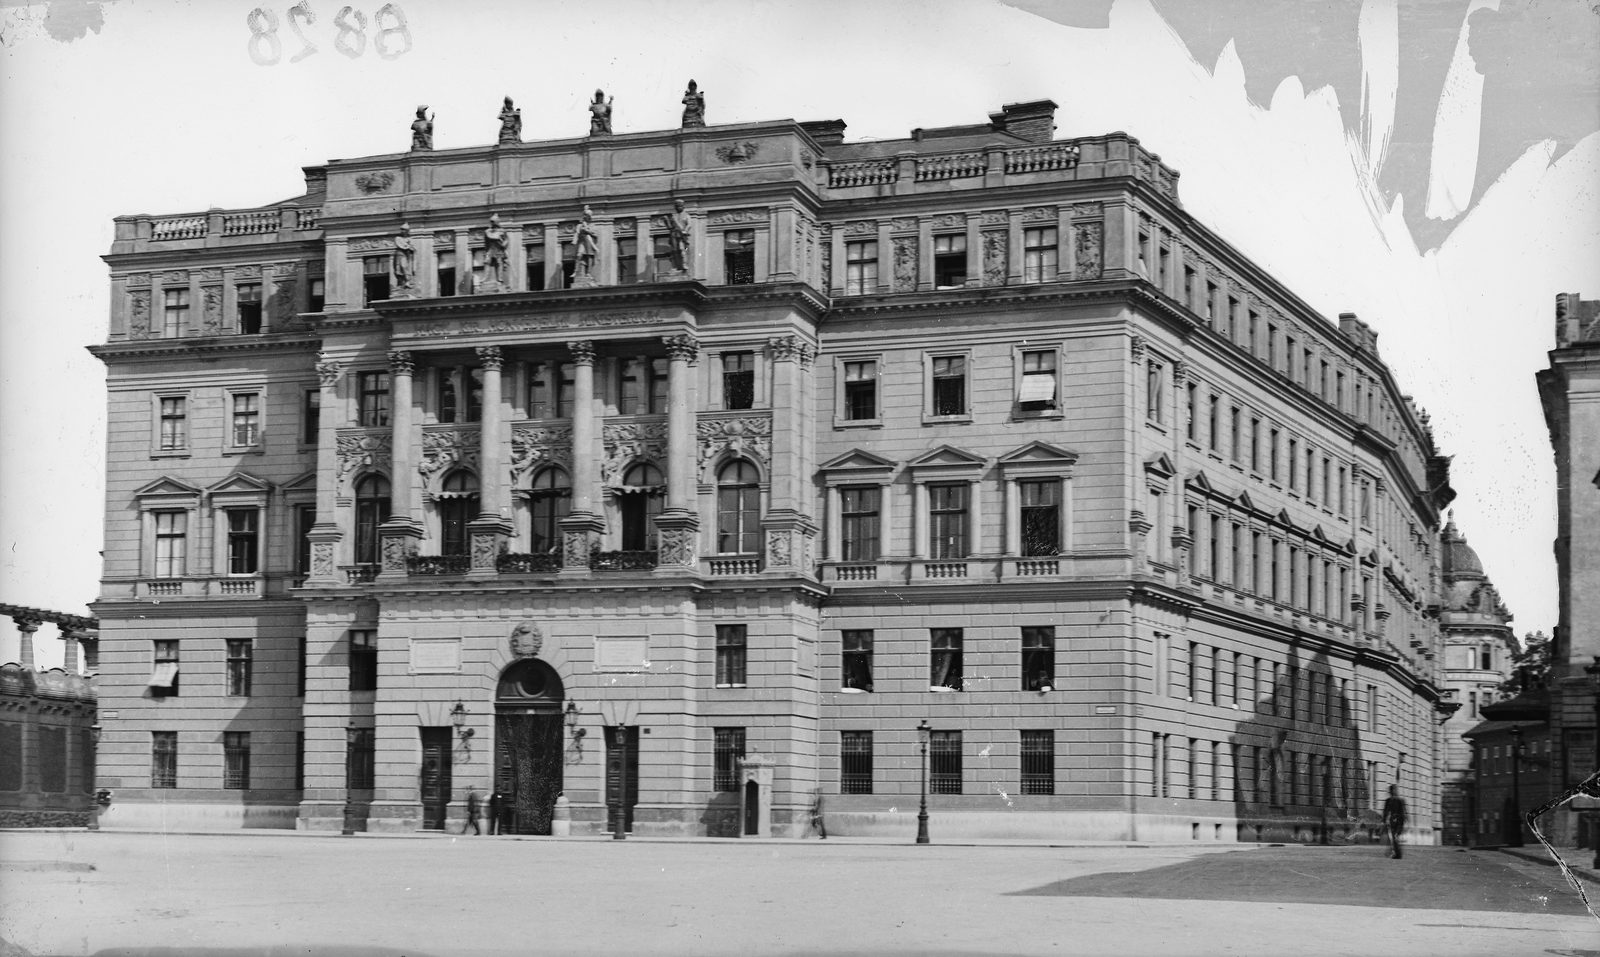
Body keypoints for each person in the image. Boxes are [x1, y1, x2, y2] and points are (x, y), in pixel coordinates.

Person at [572, 206, 599, 281]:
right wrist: (574, 240)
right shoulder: (580, 225)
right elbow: (577, 233)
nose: (584, 217)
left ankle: (588, 272)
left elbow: (596, 235)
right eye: (584, 215)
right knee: (579, 255)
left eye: (586, 216)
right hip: (582, 242)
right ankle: (576, 271)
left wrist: (588, 231)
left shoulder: (593, 226)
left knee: (589, 256)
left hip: (590, 242)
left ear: (589, 217)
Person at [1382, 784, 1406, 859]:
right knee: (1393, 837)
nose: (1394, 791)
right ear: (1391, 791)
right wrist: (1384, 820)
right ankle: (1397, 853)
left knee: (1395, 837)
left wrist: (1403, 821)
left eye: (1395, 790)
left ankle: (1397, 853)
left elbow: (1403, 812)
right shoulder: (1388, 801)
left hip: (1399, 822)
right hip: (1392, 822)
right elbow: (1385, 811)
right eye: (1393, 790)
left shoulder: (1400, 801)